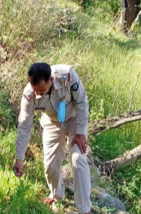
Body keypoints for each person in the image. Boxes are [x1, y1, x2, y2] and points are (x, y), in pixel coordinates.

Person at [13, 63, 91, 214]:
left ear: (51, 79)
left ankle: (85, 209)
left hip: (74, 119)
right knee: (50, 163)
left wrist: (81, 133)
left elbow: (81, 101)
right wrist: (19, 157)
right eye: (36, 90)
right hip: (52, 121)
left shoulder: (67, 76)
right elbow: (24, 125)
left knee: (78, 158)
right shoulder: (29, 94)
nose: (39, 94)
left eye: (42, 90)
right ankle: (56, 195)